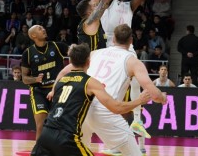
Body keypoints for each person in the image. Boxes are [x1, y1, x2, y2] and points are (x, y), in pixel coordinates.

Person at [52, 24, 166, 156]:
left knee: (80, 151)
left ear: (113, 40)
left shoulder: (95, 53)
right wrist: (162, 98)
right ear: (131, 41)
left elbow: (64, 72)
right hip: (105, 111)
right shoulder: (133, 61)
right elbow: (154, 95)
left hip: (82, 108)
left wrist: (53, 90)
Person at [30, 43, 151, 156]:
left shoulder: (61, 81)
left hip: (46, 135)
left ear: (70, 61)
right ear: (89, 62)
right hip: (66, 138)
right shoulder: (90, 82)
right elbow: (116, 107)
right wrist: (139, 100)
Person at [100, 0, 150, 147]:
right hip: (109, 44)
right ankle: (111, 123)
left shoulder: (130, 6)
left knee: (137, 78)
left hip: (126, 44)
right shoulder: (107, 2)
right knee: (114, 86)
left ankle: (137, 119)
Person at [21, 25, 69, 141]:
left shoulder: (57, 46)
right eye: (40, 28)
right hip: (39, 91)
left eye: (43, 28)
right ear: (33, 35)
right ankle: (39, 151)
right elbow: (24, 78)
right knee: (41, 124)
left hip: (57, 89)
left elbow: (76, 53)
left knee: (61, 124)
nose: (43, 29)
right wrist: (35, 79)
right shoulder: (27, 53)